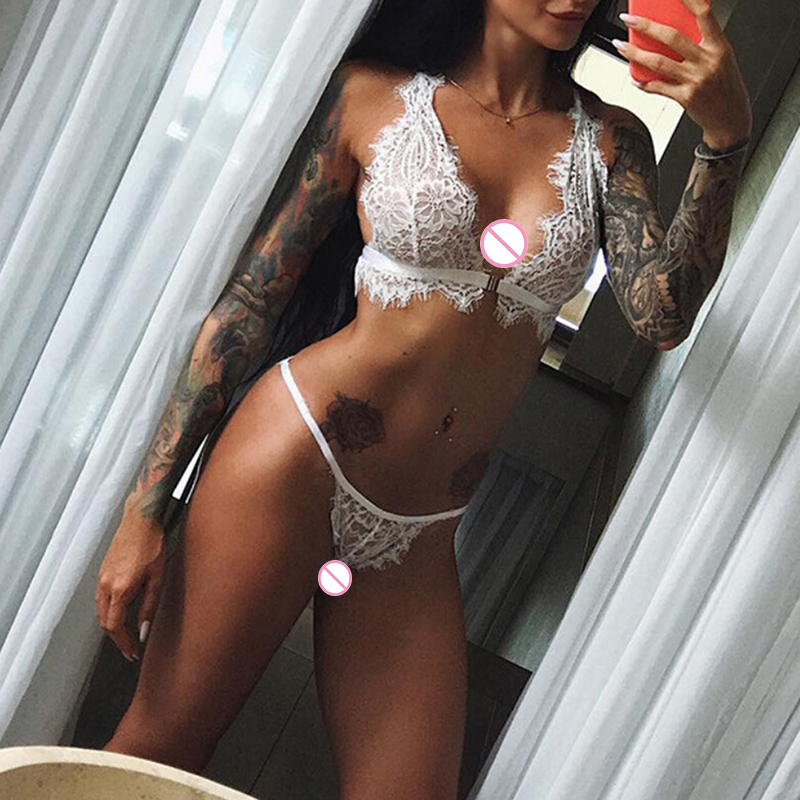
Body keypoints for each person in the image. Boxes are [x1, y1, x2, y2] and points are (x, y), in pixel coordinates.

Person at [94, 0, 752, 796]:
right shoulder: (369, 95)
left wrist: (725, 138)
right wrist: (143, 511)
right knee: (160, 751)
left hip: (419, 532)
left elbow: (661, 316)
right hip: (294, 460)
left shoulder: (612, 142)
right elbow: (250, 305)